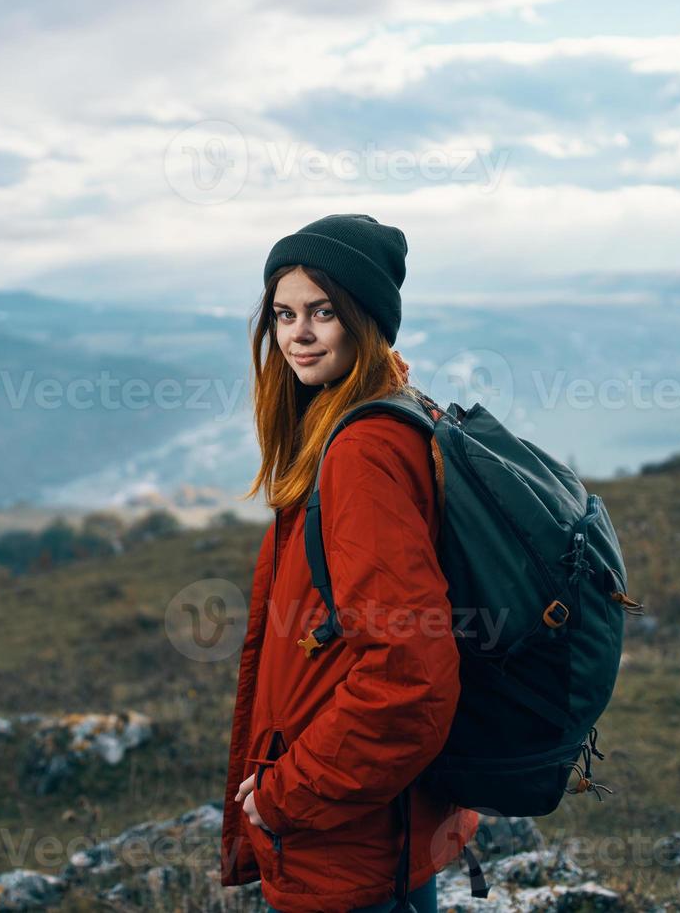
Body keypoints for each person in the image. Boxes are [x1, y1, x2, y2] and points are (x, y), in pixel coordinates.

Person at [219, 214, 479, 913]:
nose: (298, 334)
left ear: (364, 319)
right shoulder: (378, 416)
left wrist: (285, 795)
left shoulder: (361, 451)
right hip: (373, 828)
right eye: (284, 314)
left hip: (349, 838)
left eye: (323, 312)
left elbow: (409, 673)